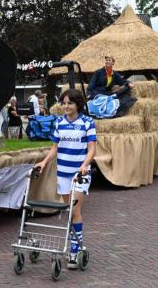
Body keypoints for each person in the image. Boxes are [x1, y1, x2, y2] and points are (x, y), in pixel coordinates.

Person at [34, 88, 97, 269]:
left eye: (70, 102)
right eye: (64, 103)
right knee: (69, 212)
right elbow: (54, 148)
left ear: (78, 104)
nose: (66, 106)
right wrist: (44, 162)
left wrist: (85, 165)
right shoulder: (59, 123)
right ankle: (75, 244)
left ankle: (74, 250)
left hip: (80, 175)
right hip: (63, 173)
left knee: (74, 211)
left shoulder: (87, 122)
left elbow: (92, 148)